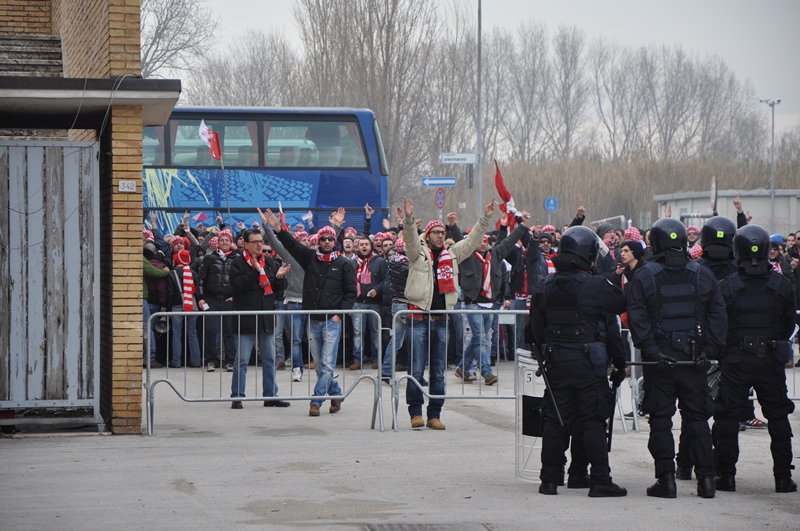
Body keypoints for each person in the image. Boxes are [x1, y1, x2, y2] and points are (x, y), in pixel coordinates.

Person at [626, 217, 727, 499]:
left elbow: (637, 317)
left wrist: (651, 350)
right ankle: (706, 481)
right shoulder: (702, 274)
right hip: (694, 360)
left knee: (661, 419)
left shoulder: (644, 276)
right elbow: (718, 315)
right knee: (696, 420)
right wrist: (709, 351)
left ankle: (666, 481)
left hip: (660, 362)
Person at [528, 225, 628, 497]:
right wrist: (620, 363)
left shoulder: (545, 285)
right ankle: (599, 481)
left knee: (555, 419)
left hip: (557, 363)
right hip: (588, 365)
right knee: (593, 419)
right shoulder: (595, 286)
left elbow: (533, 332)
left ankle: (549, 479)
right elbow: (619, 307)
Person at [713, 224, 797, 493]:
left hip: (736, 359)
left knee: (727, 417)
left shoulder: (726, 286)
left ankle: (726, 475)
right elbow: (787, 326)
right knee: (778, 418)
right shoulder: (781, 285)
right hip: (770, 359)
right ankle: (783, 477)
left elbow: (718, 324)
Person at [401, 196, 496, 430]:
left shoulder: (452, 254)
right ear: (428, 235)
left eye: (443, 232)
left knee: (438, 371)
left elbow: (473, 240)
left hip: (441, 319)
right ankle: (415, 412)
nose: (440, 236)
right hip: (419, 318)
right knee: (415, 369)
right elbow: (411, 240)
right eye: (436, 232)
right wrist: (409, 219)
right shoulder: (417, 253)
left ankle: (434, 414)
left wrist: (485, 219)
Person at [267, 210, 357, 417]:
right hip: (313, 320)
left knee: (326, 364)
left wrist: (339, 314)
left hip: (332, 321)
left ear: (335, 242)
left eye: (330, 239)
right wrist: (277, 228)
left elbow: (351, 292)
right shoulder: (310, 257)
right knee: (320, 367)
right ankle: (336, 393)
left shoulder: (343, 263)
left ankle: (316, 401)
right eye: (323, 238)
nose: (326, 241)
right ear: (318, 241)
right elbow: (291, 245)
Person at [455, 213, 529, 385]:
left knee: (477, 340)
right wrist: (452, 226)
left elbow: (508, 241)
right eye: (479, 240)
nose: (482, 243)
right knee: (481, 339)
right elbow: (459, 240)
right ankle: (487, 373)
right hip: (473, 305)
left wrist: (522, 226)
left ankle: (463, 367)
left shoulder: (495, 255)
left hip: (490, 305)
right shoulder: (467, 256)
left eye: (485, 240)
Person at [229, 230, 290, 409]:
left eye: (260, 241)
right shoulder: (238, 263)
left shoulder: (269, 262)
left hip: (266, 318)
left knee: (270, 359)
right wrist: (256, 272)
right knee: (241, 360)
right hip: (245, 318)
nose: (258, 245)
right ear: (245, 244)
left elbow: (277, 289)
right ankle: (237, 396)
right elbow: (237, 286)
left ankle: (270, 395)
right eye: (254, 242)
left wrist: (279, 277)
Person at [196, 229, 239, 372]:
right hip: (212, 299)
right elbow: (201, 279)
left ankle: (230, 361)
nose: (225, 242)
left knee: (229, 331)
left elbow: (242, 280)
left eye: (227, 240)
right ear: (218, 243)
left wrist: (237, 296)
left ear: (231, 242)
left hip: (229, 299)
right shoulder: (209, 258)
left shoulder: (237, 258)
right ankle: (210, 360)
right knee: (211, 329)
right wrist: (201, 297)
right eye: (222, 240)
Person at [350, 235, 388, 370]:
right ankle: (357, 359)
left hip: (375, 303)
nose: (364, 246)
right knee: (357, 333)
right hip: (358, 302)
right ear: (357, 247)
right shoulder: (352, 262)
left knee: (375, 332)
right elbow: (348, 283)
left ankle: (376, 359)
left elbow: (385, 280)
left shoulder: (380, 262)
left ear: (371, 246)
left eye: (366, 244)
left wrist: (377, 289)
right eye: (361, 244)